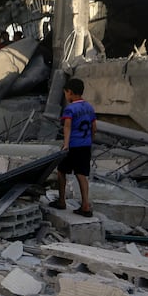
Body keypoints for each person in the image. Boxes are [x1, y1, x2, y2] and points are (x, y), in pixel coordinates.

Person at [50, 78, 97, 217]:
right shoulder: (89, 107)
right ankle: (85, 206)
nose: (65, 96)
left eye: (65, 93)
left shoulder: (70, 109)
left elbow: (67, 127)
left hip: (73, 145)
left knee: (61, 172)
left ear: (69, 92)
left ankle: (61, 201)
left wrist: (65, 145)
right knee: (82, 175)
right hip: (85, 145)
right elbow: (94, 128)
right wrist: (90, 141)